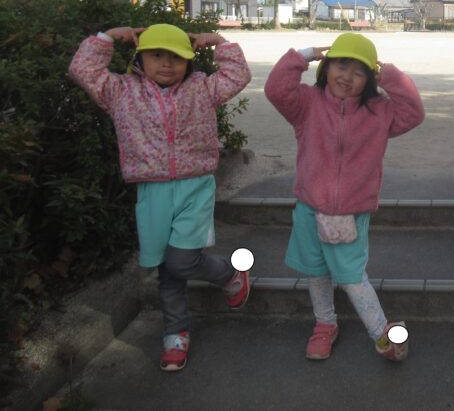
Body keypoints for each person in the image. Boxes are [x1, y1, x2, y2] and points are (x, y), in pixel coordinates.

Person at [68, 23, 253, 371]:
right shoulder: (121, 91)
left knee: (181, 261)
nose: (167, 64)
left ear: (188, 62)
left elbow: (237, 75)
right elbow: (83, 70)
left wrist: (220, 42)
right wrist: (108, 37)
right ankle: (176, 333)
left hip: (194, 186)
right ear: (140, 59)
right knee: (166, 268)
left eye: (176, 58)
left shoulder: (202, 89)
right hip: (151, 189)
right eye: (157, 55)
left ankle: (229, 274)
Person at [264, 33, 425, 362]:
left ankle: (381, 333)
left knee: (352, 277)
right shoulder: (306, 104)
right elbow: (276, 89)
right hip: (309, 207)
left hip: (350, 213)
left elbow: (413, 112)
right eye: (340, 66)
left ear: (370, 78)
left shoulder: (379, 112)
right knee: (316, 272)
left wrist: (388, 73)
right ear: (326, 67)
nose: (347, 77)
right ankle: (325, 324)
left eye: (359, 71)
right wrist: (304, 55)